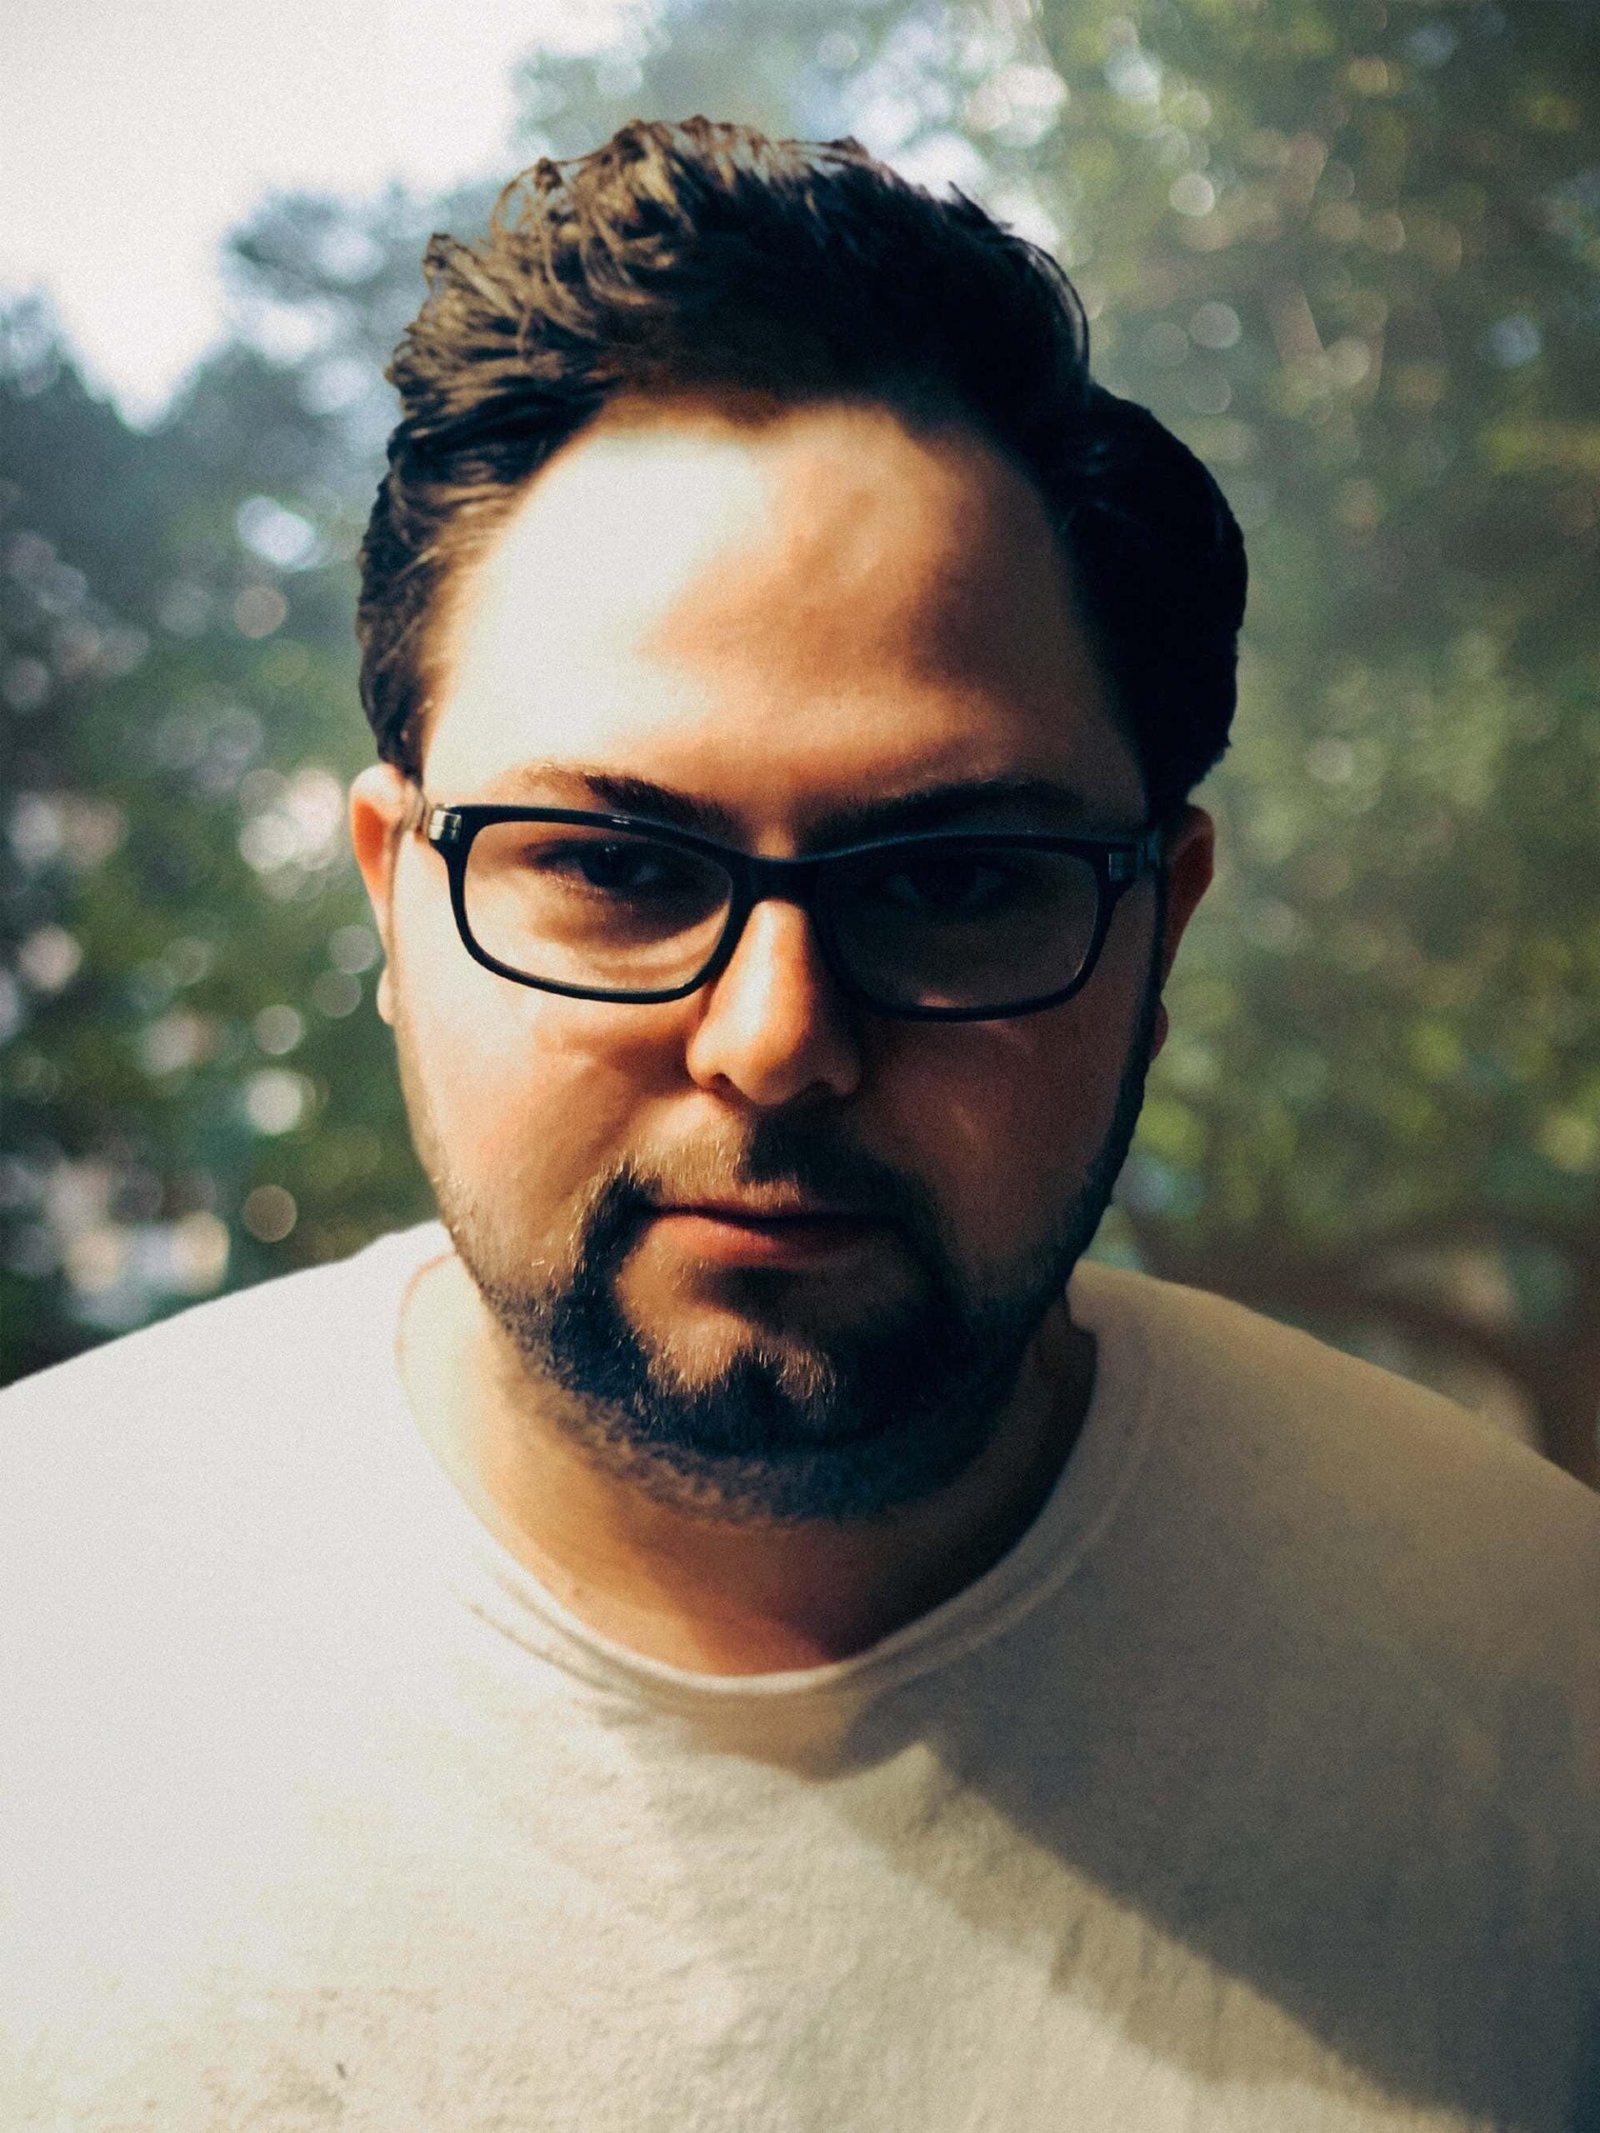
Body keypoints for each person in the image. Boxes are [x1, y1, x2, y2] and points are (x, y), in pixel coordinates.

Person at [2, 117, 1595, 2133]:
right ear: (397, 898)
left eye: (948, 879)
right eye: (609, 861)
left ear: (1156, 922)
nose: (772, 1039)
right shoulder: (35, 1645)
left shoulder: (1540, 1701)